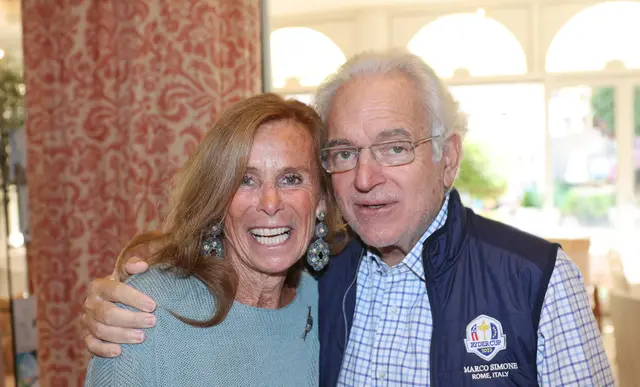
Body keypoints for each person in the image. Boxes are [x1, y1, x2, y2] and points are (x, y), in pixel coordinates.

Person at [83, 51, 615, 386]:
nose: (365, 177)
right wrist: (140, 280)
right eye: (344, 153)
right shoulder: (324, 277)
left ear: (448, 158)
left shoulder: (536, 280)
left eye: (394, 147)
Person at [83, 93, 344, 386]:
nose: (270, 203)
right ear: (217, 199)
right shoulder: (141, 313)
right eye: (246, 180)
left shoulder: (326, 301)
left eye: (291, 179)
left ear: (322, 199)